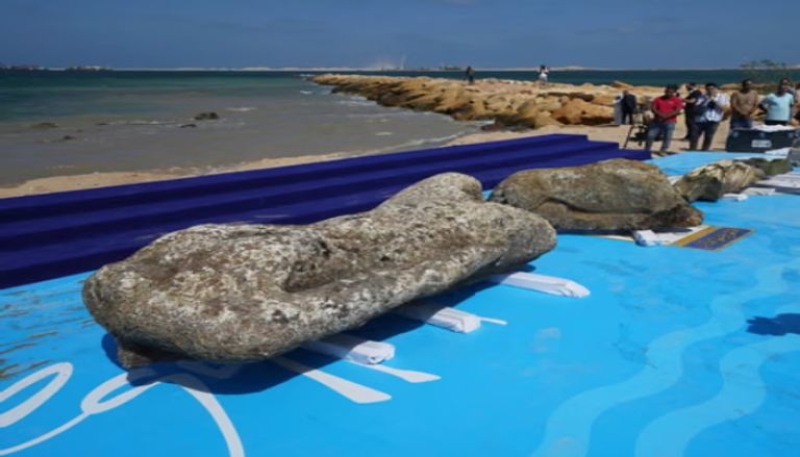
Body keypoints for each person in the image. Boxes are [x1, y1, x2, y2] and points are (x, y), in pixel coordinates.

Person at [645, 84, 684, 153]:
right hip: (657, 120)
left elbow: (677, 110)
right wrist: (660, 114)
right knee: (650, 135)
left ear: (674, 92)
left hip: (670, 121)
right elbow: (653, 108)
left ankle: (663, 150)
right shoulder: (658, 99)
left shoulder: (677, 100)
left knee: (667, 137)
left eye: (670, 92)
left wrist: (667, 116)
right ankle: (647, 149)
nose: (668, 93)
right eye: (666, 91)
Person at [689, 83, 729, 151]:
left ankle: (704, 151)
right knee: (694, 136)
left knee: (708, 137)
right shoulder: (702, 96)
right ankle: (692, 150)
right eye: (708, 89)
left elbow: (725, 109)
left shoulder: (723, 97)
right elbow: (696, 107)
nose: (710, 90)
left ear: (716, 89)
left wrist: (714, 100)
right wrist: (705, 101)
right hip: (700, 120)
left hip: (713, 120)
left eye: (712, 89)